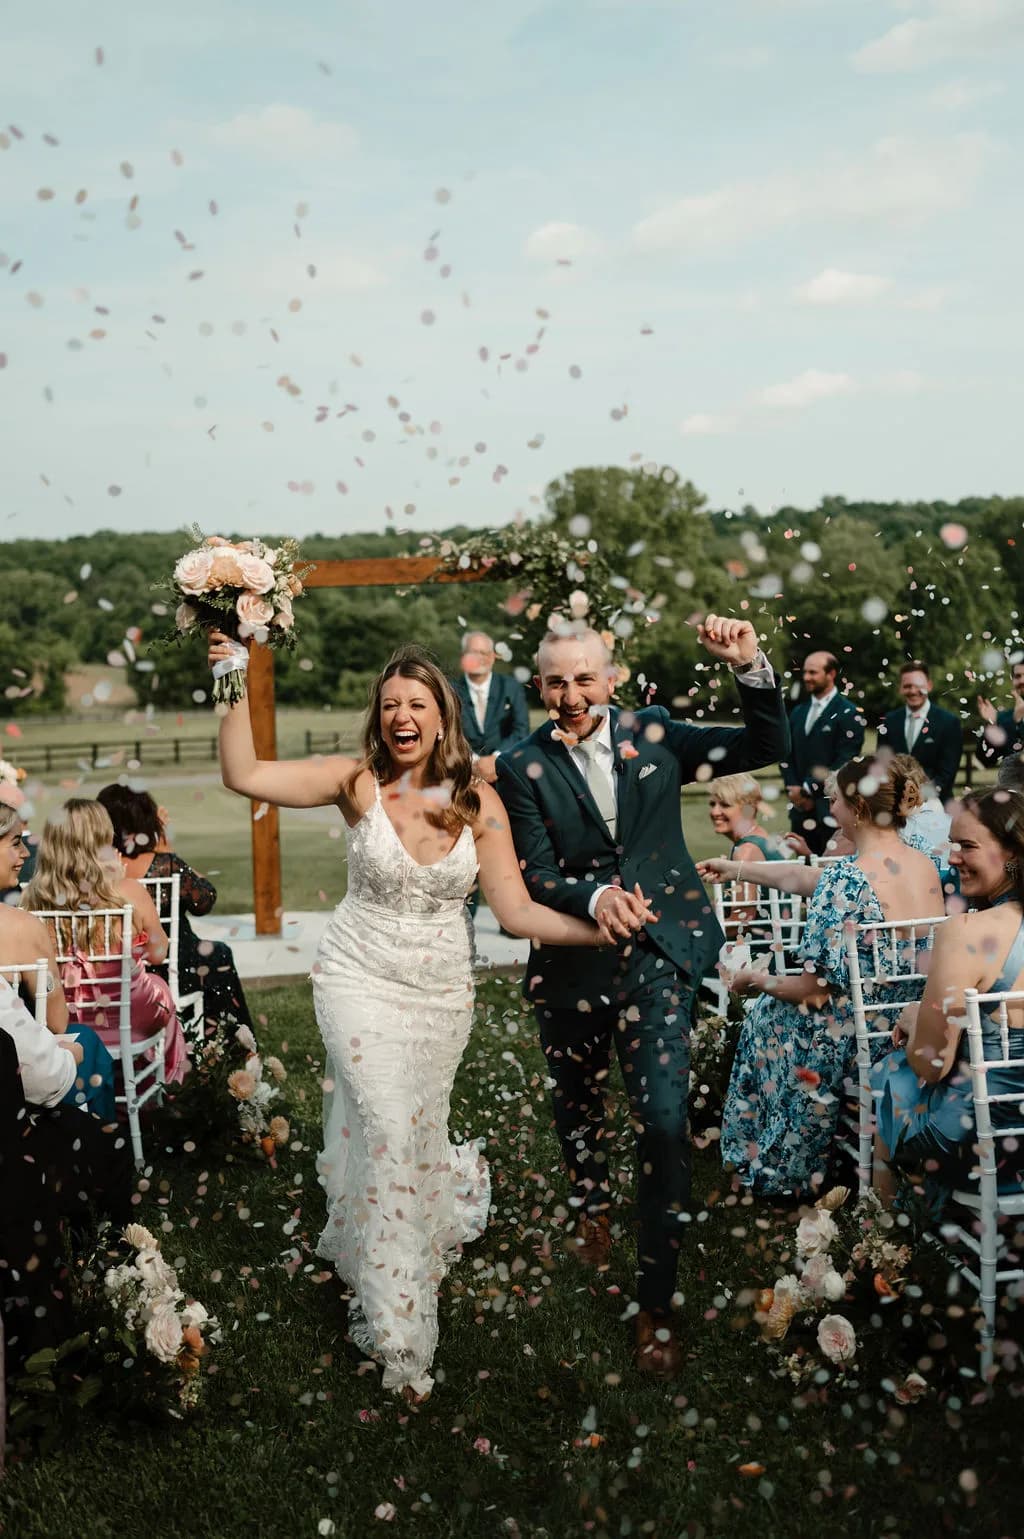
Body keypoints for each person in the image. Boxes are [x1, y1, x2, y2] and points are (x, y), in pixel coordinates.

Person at [208, 632, 620, 1403]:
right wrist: (228, 672)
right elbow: (242, 773)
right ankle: (402, 1336)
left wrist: (601, 928)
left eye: (418, 704)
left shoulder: (478, 799)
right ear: (379, 715)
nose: (402, 715)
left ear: (443, 717)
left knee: (413, 1132)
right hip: (357, 980)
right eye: (390, 703)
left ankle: (396, 1224)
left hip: (439, 997)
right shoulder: (353, 781)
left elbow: (519, 909)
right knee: (391, 1127)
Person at [495, 617, 790, 1376]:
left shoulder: (653, 733)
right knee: (577, 1101)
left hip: (660, 955)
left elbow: (763, 748)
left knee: (662, 1120)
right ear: (539, 685)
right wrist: (594, 898)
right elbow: (533, 873)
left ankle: (655, 1302)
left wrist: (749, 664)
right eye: (555, 681)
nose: (570, 695)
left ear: (611, 676)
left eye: (584, 678)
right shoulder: (519, 764)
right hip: (571, 963)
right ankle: (590, 1201)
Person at [700, 758, 943, 1199]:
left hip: (853, 1038)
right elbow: (806, 876)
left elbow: (812, 992)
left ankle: (779, 1163)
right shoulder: (924, 865)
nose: (830, 808)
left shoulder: (847, 881)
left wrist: (754, 980)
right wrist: (734, 867)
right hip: (905, 1023)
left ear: (855, 806)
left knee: (764, 1016)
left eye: (834, 800)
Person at [871, 786, 1024, 1200]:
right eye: (953, 844)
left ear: (1013, 852)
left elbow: (931, 1065)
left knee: (890, 1070)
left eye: (967, 846)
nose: (952, 857)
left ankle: (882, 1229)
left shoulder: (966, 933)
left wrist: (914, 1017)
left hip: (988, 1142)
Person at [21, 800, 189, 1088]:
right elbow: (160, 954)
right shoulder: (128, 891)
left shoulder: (32, 899)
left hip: (64, 1016)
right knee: (161, 991)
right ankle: (166, 1089)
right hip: (128, 1014)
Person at [96, 782, 253, 1041]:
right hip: (171, 966)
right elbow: (205, 900)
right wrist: (167, 851)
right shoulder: (163, 864)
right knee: (219, 954)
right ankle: (228, 1045)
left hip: (118, 970)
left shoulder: (95, 867)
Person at [0, 802, 116, 1120]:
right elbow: (56, 1023)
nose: (25, 854)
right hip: (20, 1073)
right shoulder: (22, 927)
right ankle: (100, 1152)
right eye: (14, 843)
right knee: (88, 1041)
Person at [780, 651, 865, 854]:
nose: (806, 677)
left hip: (830, 808)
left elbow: (845, 759)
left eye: (813, 672)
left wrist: (808, 788)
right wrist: (792, 786)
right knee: (803, 867)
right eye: (805, 672)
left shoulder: (849, 713)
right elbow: (786, 753)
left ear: (831, 674)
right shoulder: (798, 712)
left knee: (828, 867)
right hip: (799, 808)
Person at [877, 660, 963, 803]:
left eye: (918, 686)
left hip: (937, 805)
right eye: (907, 686)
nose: (912, 691)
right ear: (900, 689)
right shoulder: (889, 722)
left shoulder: (949, 723)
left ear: (929, 686)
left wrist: (918, 797)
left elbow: (947, 773)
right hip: (896, 806)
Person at [451, 631, 530, 786]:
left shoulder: (511, 687)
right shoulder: (449, 691)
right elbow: (447, 733)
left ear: (493, 657)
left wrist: (496, 759)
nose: (479, 658)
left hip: (507, 772)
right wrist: (473, 762)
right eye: (473, 652)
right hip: (463, 775)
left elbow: (521, 731)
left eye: (484, 653)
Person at [706, 772, 783, 927]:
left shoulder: (746, 851)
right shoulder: (760, 838)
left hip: (756, 949)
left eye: (725, 805)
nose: (715, 812)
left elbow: (741, 924)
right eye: (712, 804)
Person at [975, 657, 1024, 770]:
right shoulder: (1004, 719)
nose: (1022, 680)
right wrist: (992, 724)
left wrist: (1020, 723)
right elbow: (985, 761)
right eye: (1017, 676)